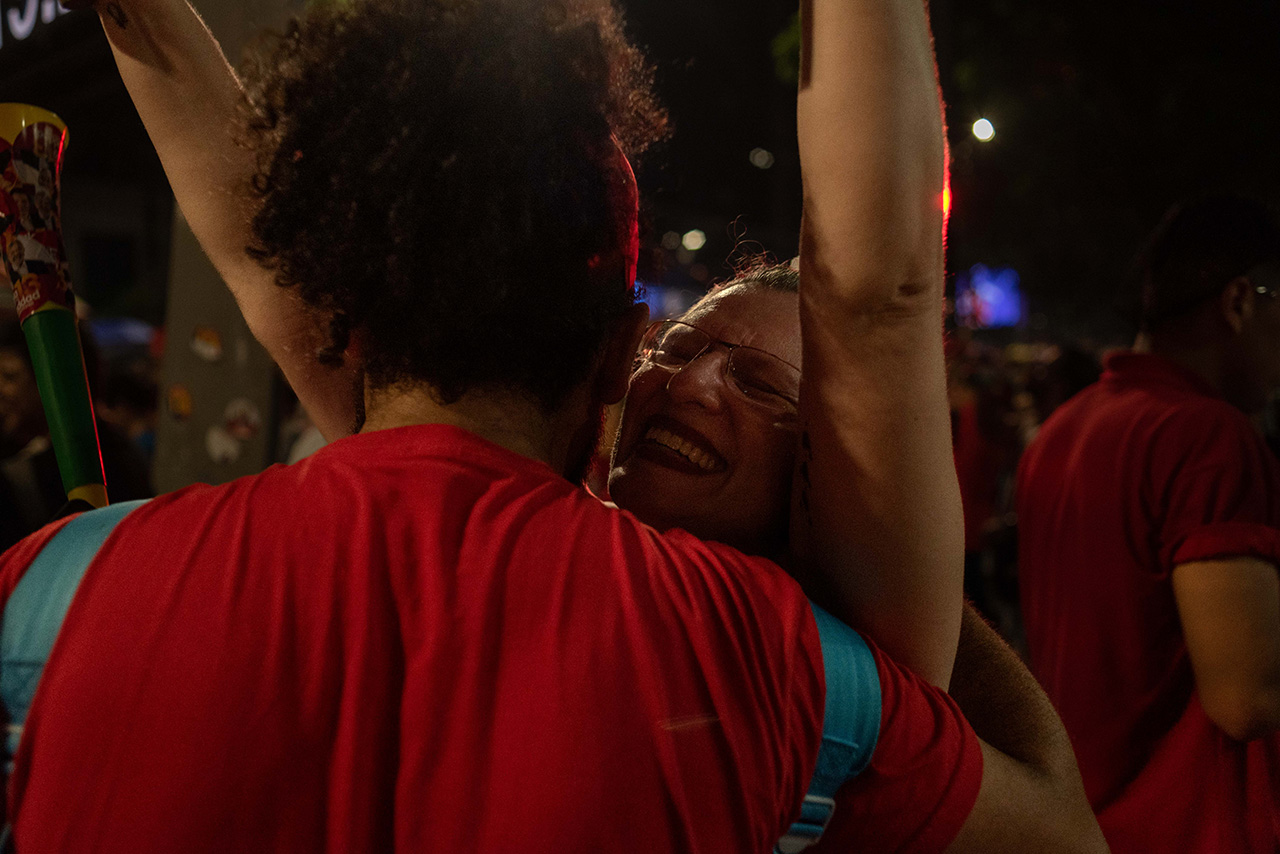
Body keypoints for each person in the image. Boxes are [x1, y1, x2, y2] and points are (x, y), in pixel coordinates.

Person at [0, 0, 1103, 853]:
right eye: (679, 348)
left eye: (767, 388)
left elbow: (260, 255)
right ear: (625, 353)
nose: (695, 386)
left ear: (342, 301)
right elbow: (884, 289)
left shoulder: (55, 584)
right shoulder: (766, 662)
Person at [1017, 195, 1280, 853]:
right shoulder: (1208, 436)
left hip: (1085, 822)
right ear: (1241, 302)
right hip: (1192, 828)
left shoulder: (1062, 429)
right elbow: (1247, 697)